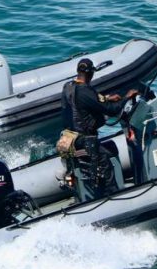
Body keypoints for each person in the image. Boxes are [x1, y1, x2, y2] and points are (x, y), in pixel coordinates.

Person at [58, 57, 138, 198]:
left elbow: (81, 101)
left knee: (106, 149)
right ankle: (113, 194)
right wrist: (127, 97)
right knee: (105, 160)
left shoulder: (68, 86)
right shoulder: (85, 90)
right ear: (91, 73)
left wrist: (106, 98)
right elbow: (112, 110)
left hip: (69, 138)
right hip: (84, 140)